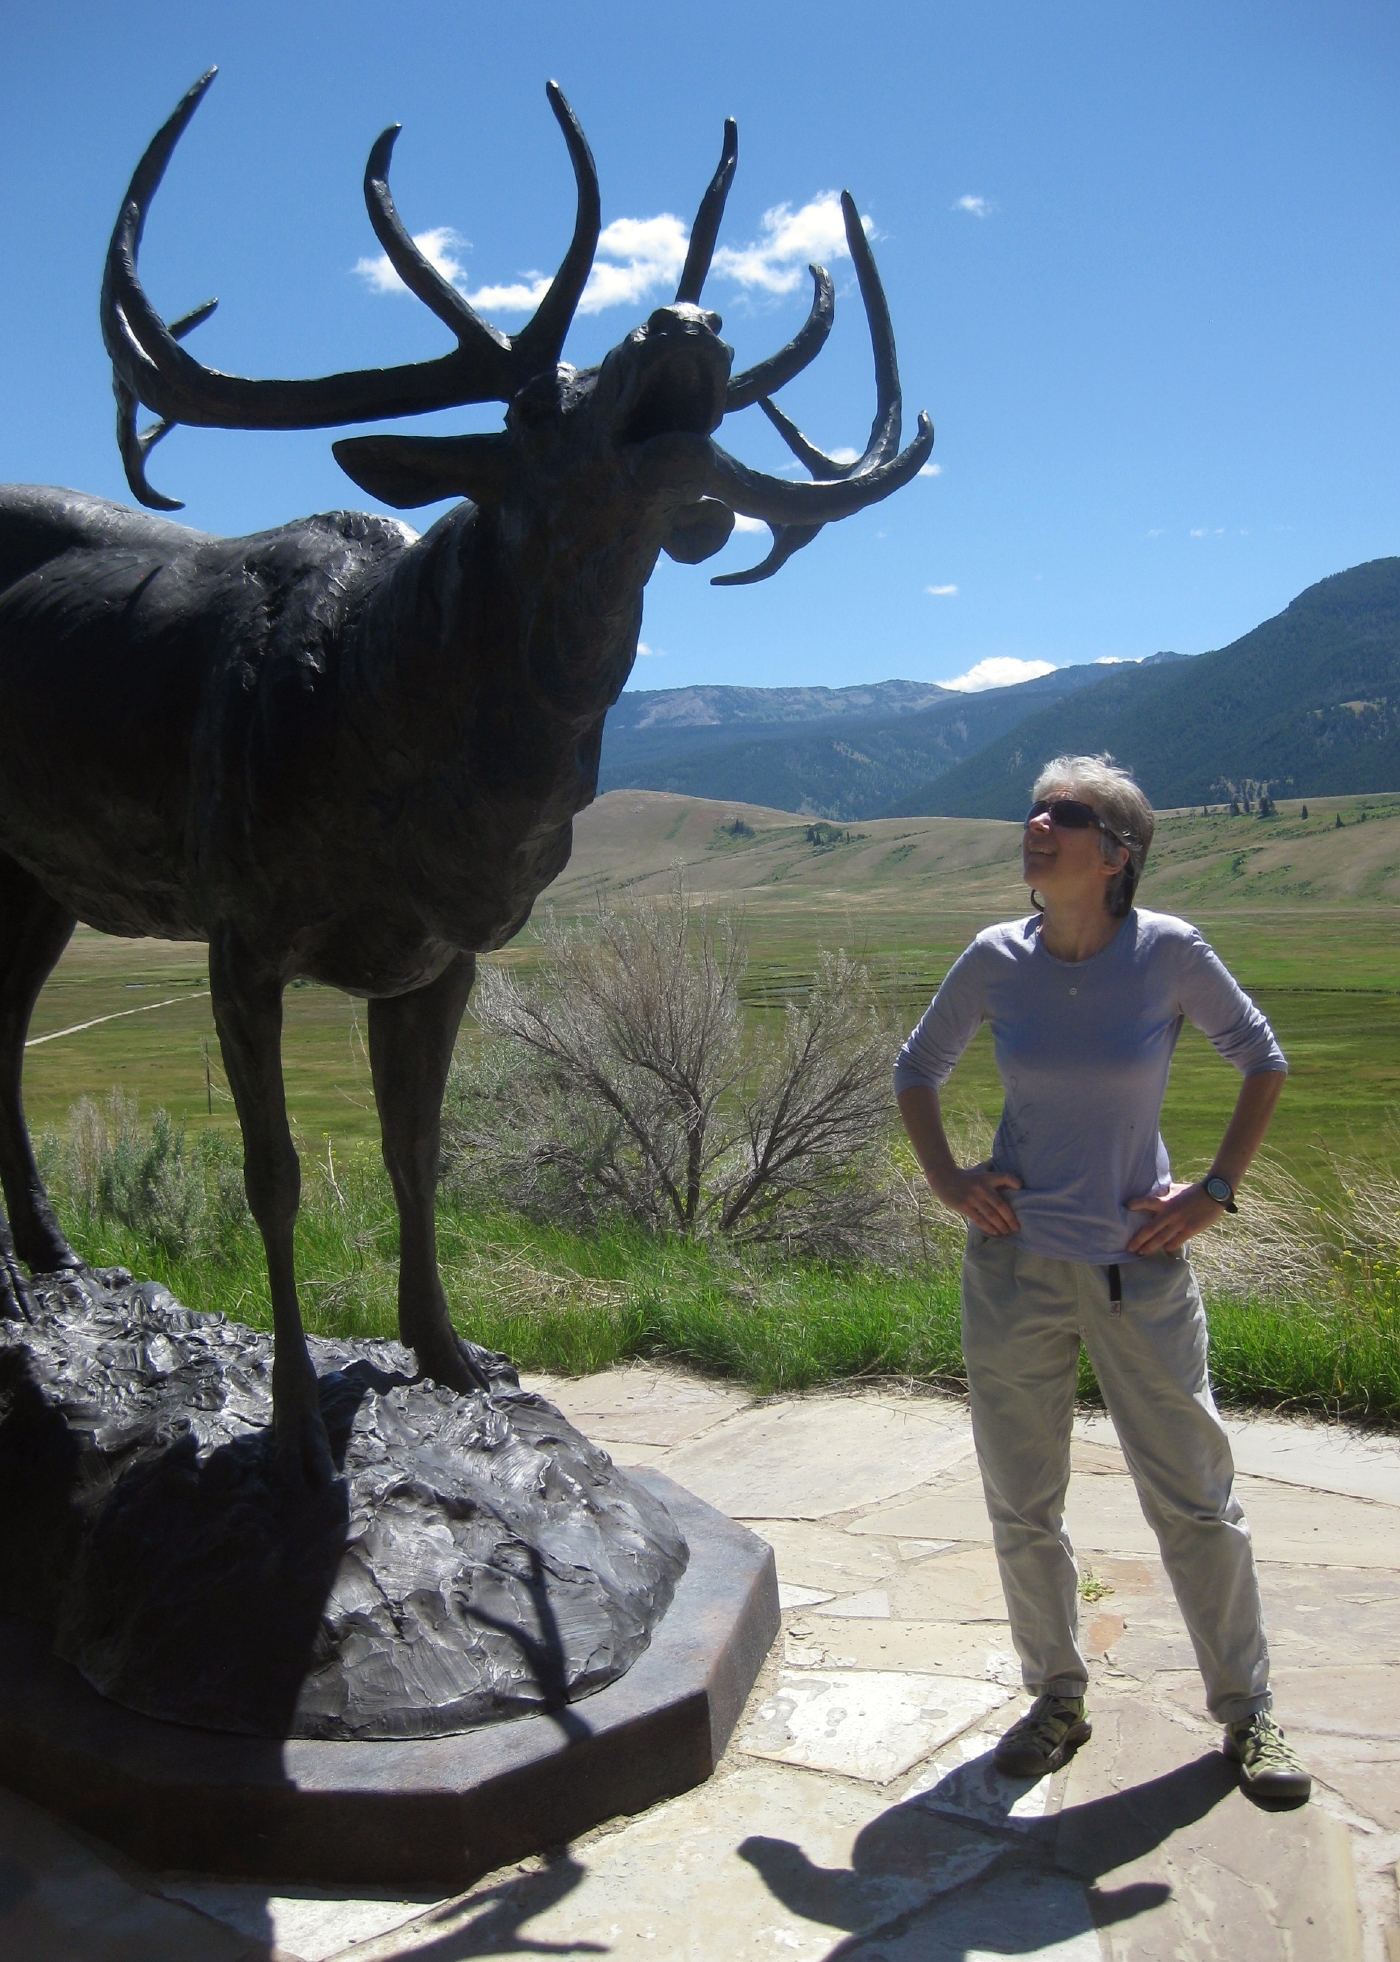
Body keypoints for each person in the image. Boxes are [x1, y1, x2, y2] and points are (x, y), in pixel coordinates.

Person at [895, 753, 1310, 1802]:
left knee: (1194, 1503)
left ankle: (1247, 1714)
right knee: (1020, 1502)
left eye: (1064, 814)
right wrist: (950, 1181)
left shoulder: (1166, 952)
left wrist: (1212, 1192)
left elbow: (1260, 1057)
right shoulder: (995, 958)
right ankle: (1053, 1699)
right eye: (1032, 809)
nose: (1036, 822)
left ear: (1116, 854)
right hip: (1013, 1271)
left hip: (1139, 1269)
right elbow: (916, 1068)